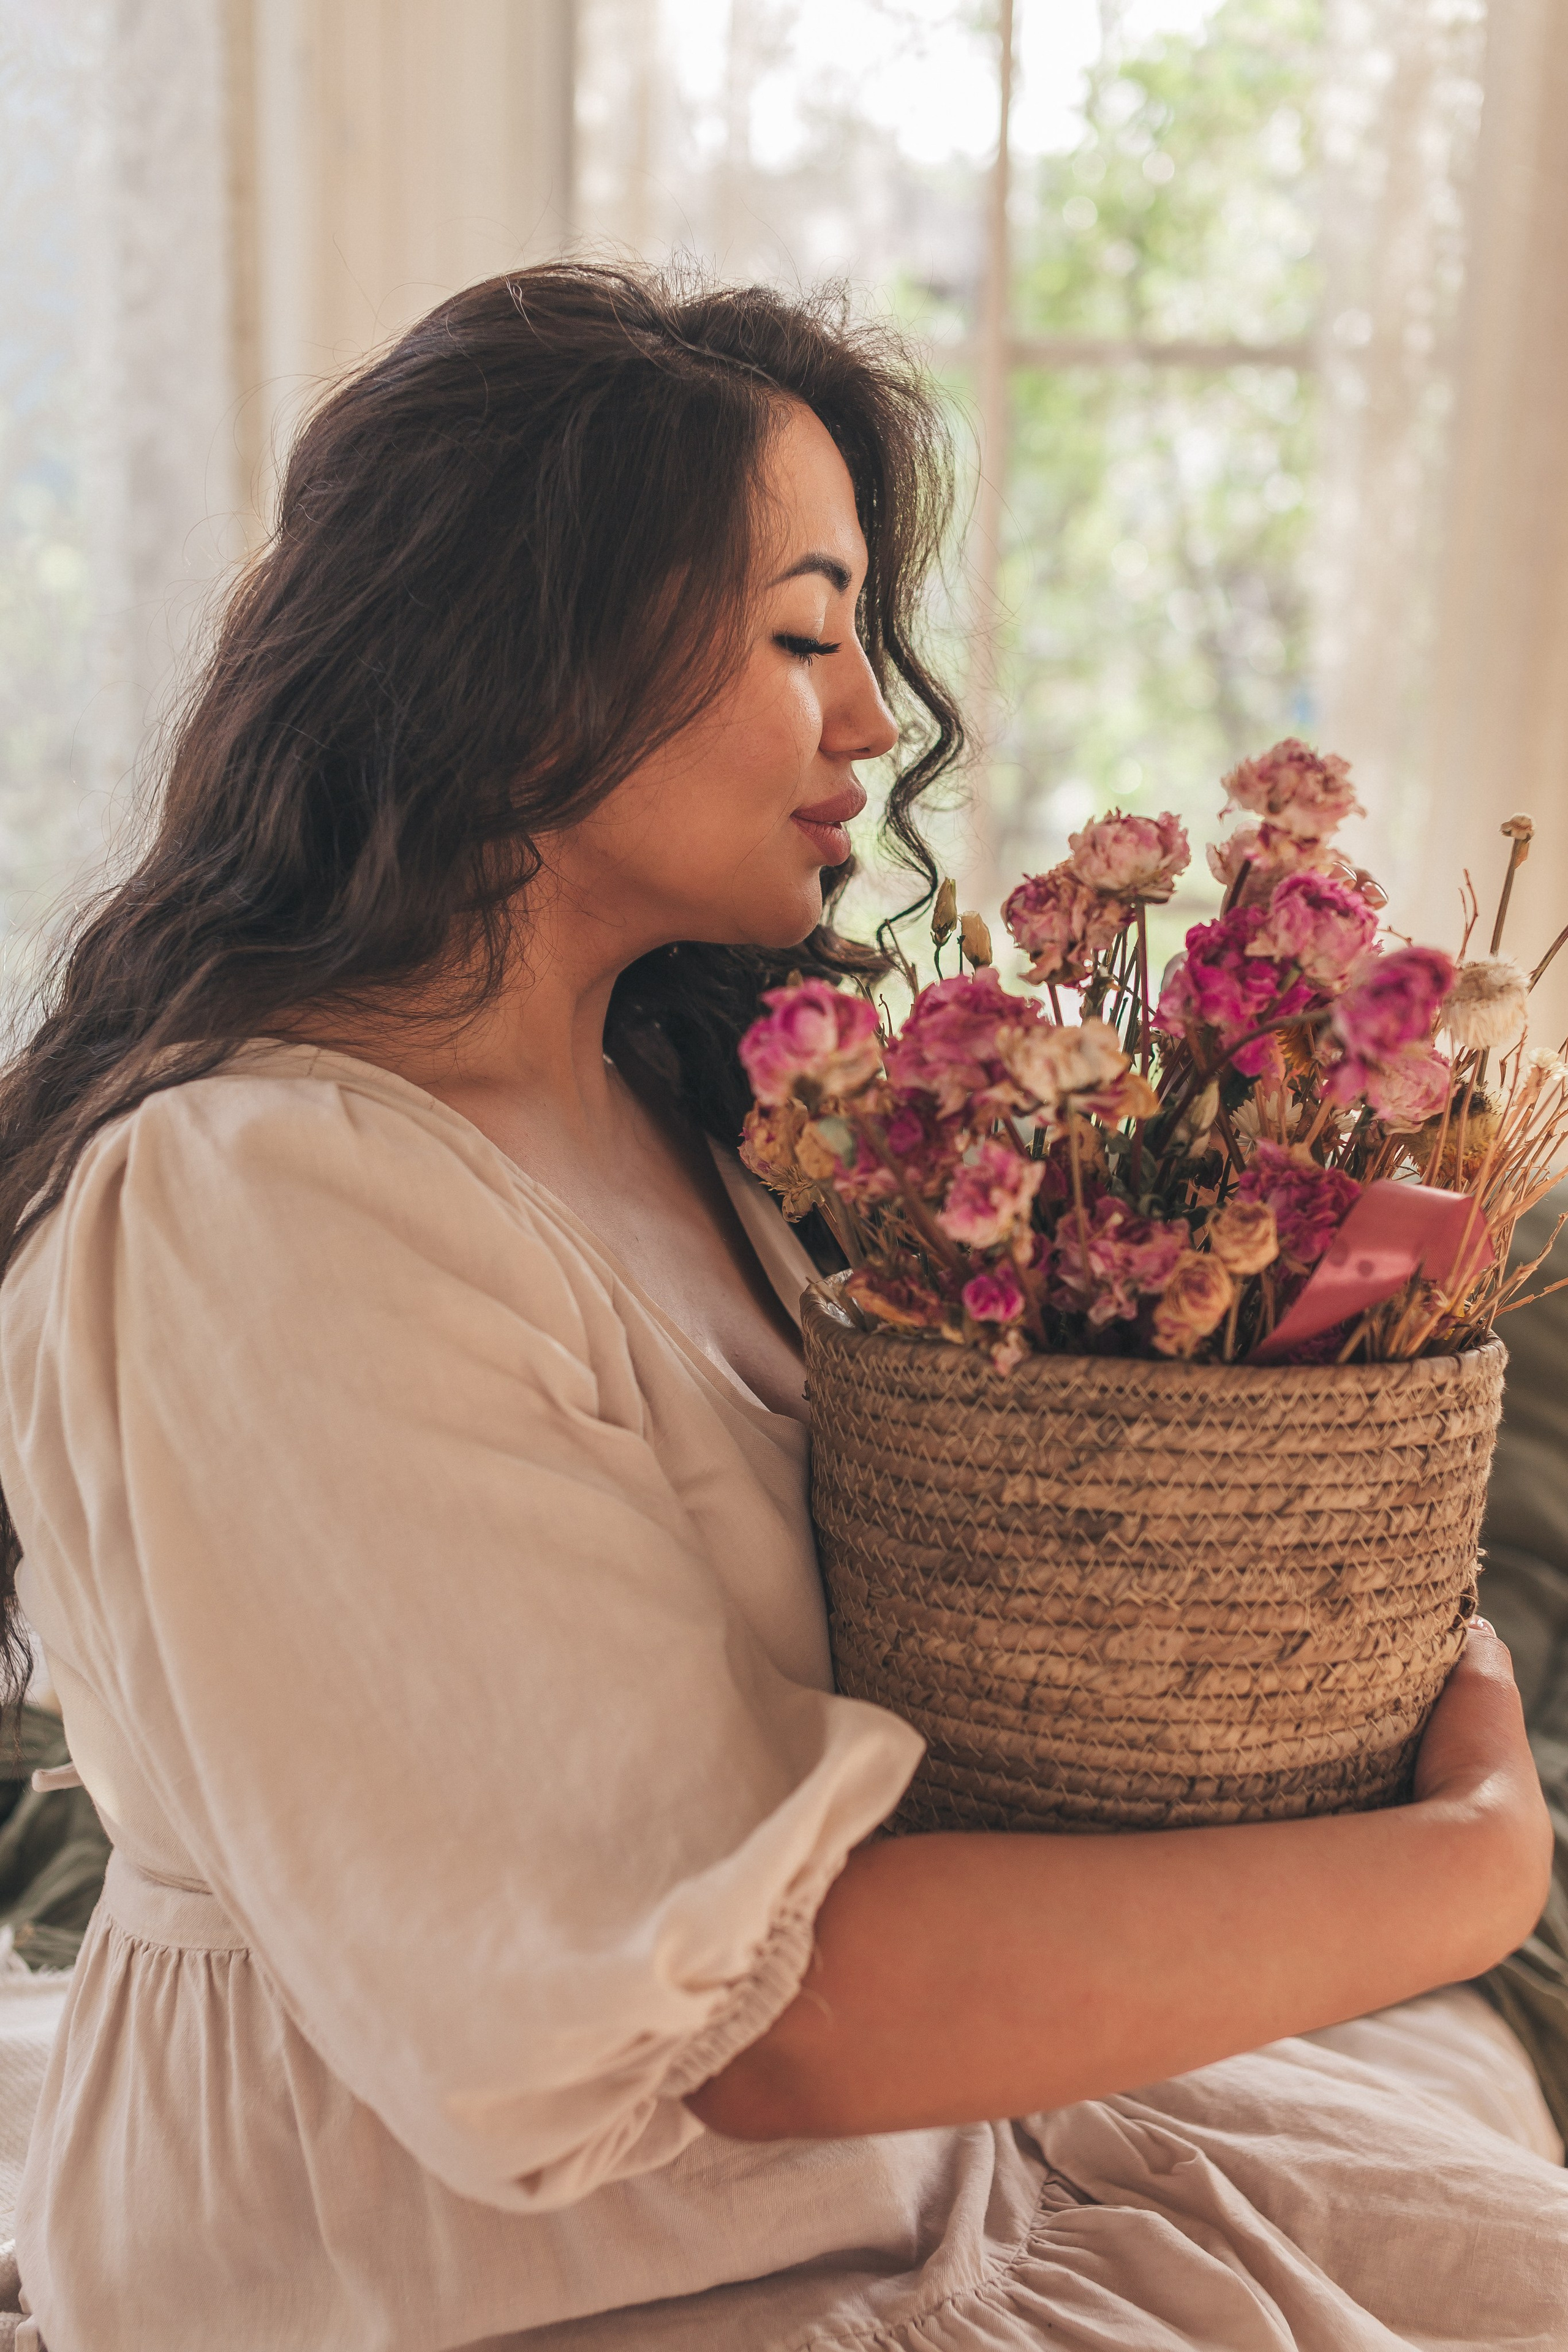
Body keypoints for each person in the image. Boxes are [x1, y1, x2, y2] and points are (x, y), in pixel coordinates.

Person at [0, 265, 1561, 2352]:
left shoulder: (703, 1126)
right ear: (524, 658)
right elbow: (762, 2024)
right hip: (502, 2282)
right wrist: (1468, 1876)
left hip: (897, 2199)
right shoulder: (262, 1199)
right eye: (807, 634)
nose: (873, 723)